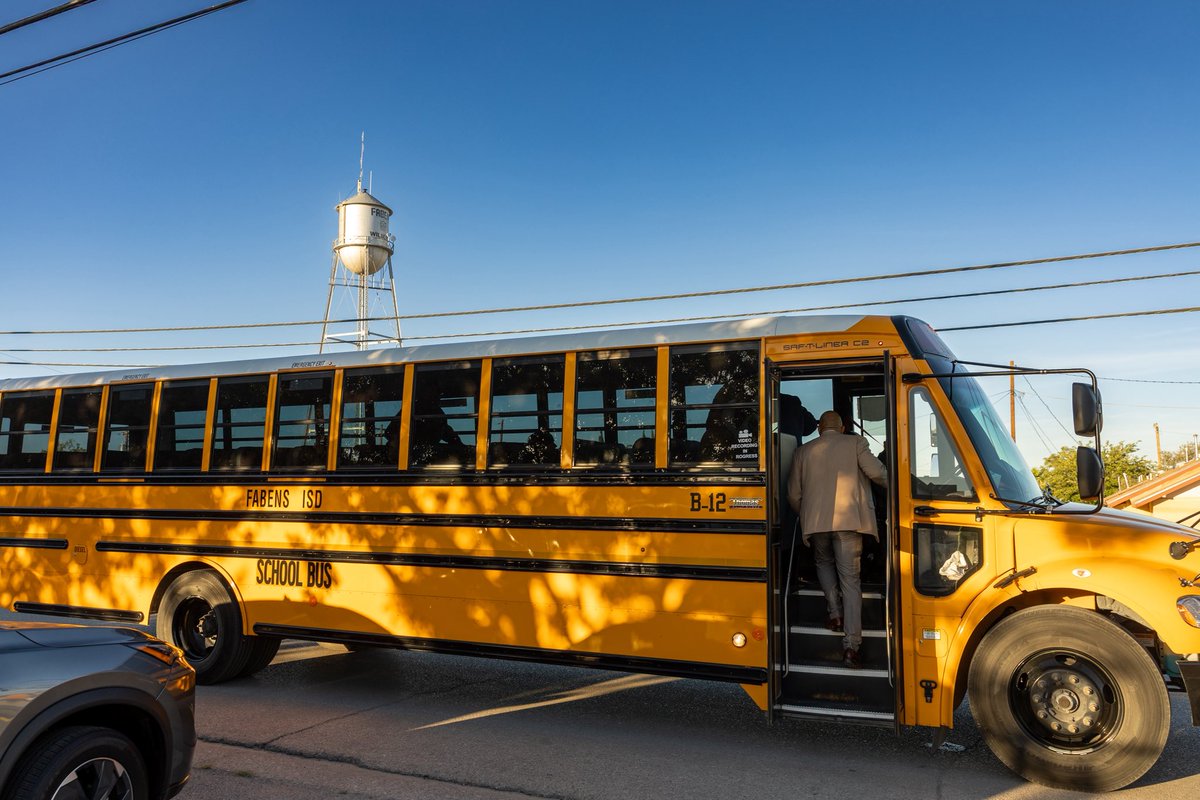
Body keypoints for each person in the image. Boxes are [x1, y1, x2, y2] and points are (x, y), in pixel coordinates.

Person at [786, 410, 887, 668]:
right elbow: (877, 473)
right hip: (849, 523)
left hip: (817, 524)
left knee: (822, 562)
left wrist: (809, 515)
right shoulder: (855, 443)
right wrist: (904, 487)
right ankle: (851, 646)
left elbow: (793, 494)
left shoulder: (803, 451)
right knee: (851, 581)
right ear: (842, 428)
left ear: (820, 428)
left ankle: (835, 613)